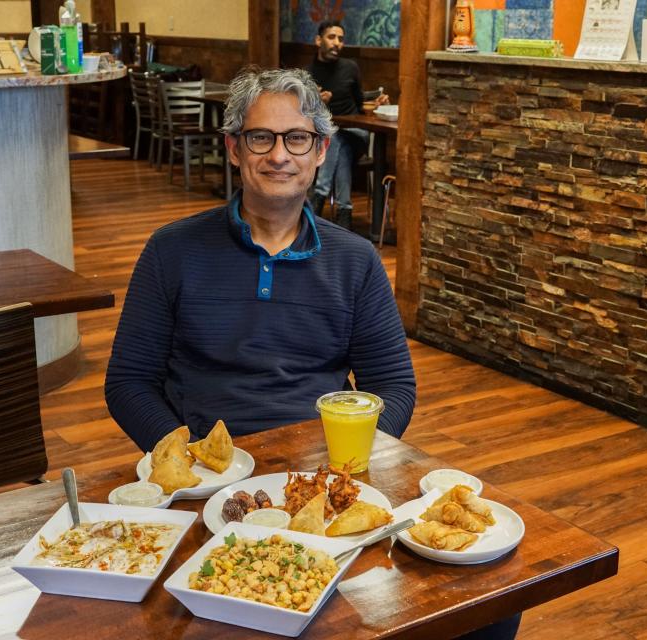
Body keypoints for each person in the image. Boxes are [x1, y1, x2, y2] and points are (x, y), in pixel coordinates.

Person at [105, 66, 416, 453]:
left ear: (321, 151)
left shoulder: (356, 260)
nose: (279, 156)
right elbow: (129, 381)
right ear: (234, 148)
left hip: (321, 464)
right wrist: (184, 458)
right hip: (204, 465)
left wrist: (347, 455)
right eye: (261, 138)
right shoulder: (170, 250)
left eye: (298, 138)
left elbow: (394, 385)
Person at [307, 20, 388, 230]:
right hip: (325, 140)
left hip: (356, 133)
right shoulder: (307, 74)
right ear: (318, 40)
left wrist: (377, 104)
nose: (337, 43)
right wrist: (318, 103)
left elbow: (361, 103)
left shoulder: (350, 67)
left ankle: (318, 196)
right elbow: (302, 114)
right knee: (336, 140)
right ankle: (345, 214)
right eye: (331, 37)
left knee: (335, 137)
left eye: (341, 39)